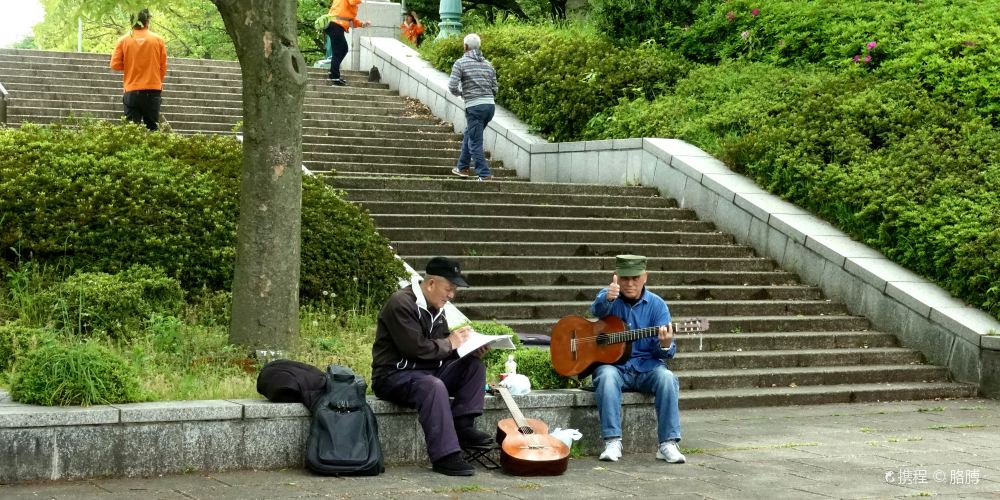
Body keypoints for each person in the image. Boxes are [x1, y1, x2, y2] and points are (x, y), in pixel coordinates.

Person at [371, 256, 493, 476]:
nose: (451, 295)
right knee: (432, 385)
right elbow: (416, 349)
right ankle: (445, 456)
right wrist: (451, 342)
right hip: (393, 376)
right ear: (431, 283)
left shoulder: (437, 306)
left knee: (473, 367)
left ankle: (463, 427)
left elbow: (441, 350)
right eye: (449, 289)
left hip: (427, 372)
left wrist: (467, 348)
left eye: (454, 290)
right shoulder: (401, 303)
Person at [589, 254, 686, 464]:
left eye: (635, 278)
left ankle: (667, 444)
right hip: (616, 367)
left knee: (667, 378)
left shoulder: (658, 305)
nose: (630, 283)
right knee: (605, 375)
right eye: (624, 278)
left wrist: (665, 344)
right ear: (616, 277)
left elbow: (666, 353)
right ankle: (612, 441)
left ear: (645, 277)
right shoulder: (609, 298)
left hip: (647, 368)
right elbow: (596, 311)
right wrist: (607, 297)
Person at [448, 33, 497, 182]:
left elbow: (452, 86)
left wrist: (463, 94)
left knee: (475, 142)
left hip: (475, 107)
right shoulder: (488, 65)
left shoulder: (461, 63)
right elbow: (495, 88)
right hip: (490, 107)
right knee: (470, 134)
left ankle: (484, 173)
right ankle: (462, 167)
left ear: (465, 47)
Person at [110, 8, 167, 131]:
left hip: (132, 90)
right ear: (148, 20)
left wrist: (130, 64)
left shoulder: (123, 40)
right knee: (153, 129)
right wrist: (156, 81)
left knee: (131, 130)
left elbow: (114, 64)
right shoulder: (158, 40)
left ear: (131, 21)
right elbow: (162, 67)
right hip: (153, 90)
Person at [326, 0, 371, 86]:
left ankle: (333, 72)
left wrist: (362, 24)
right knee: (338, 51)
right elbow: (353, 1)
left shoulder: (348, 7)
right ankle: (334, 76)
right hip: (335, 25)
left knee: (343, 49)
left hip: (337, 25)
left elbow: (350, 20)